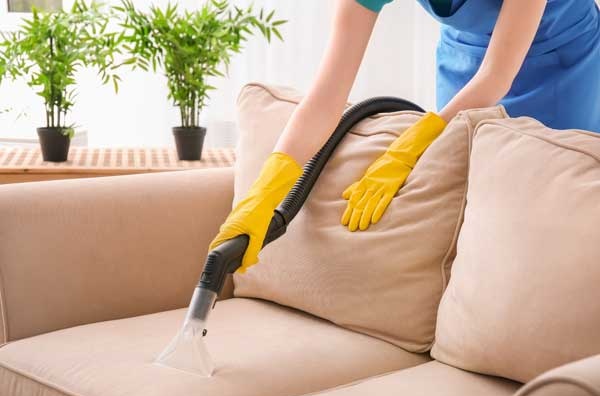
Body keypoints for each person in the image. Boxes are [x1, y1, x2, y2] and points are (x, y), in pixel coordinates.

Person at [210, 0, 600, 272]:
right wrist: (264, 193)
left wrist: (411, 144)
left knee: (552, 199)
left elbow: (498, 75)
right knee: (463, 191)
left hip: (562, 54)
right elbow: (327, 94)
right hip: (466, 55)